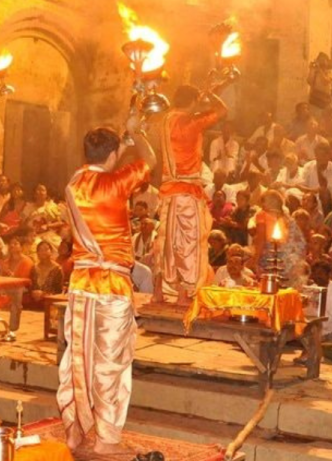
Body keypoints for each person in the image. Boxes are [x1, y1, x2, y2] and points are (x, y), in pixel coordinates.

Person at [57, 115, 156, 454]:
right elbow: (150, 161)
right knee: (110, 363)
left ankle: (74, 429)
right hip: (112, 285)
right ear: (113, 156)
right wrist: (138, 131)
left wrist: (122, 141)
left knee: (78, 359)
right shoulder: (116, 184)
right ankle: (105, 439)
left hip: (81, 284)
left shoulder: (73, 183)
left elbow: (104, 167)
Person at [154, 84, 227, 306]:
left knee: (166, 241)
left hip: (168, 192)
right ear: (193, 101)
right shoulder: (191, 122)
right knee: (188, 242)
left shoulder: (165, 120)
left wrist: (200, 98)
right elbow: (222, 111)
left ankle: (159, 291)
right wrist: (212, 93)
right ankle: (184, 293)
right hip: (186, 192)